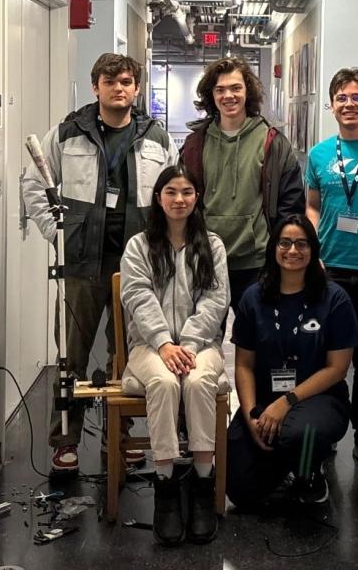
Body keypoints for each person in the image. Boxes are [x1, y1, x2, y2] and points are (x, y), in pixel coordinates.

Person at [22, 52, 177, 473]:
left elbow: (172, 190)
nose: (118, 88)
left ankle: (120, 437)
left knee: (127, 354)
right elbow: (33, 183)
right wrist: (57, 232)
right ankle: (65, 440)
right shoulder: (69, 132)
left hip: (136, 265)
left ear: (136, 88)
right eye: (109, 82)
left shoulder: (157, 137)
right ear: (96, 87)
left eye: (125, 81)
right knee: (72, 353)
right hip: (82, 262)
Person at [120, 164, 229, 545]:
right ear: (158, 198)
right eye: (171, 192)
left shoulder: (212, 245)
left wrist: (190, 343)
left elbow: (216, 300)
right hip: (148, 346)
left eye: (186, 192)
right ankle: (165, 489)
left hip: (202, 346)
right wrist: (164, 343)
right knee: (165, 383)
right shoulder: (138, 246)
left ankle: (202, 486)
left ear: (197, 198)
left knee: (198, 382)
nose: (179, 199)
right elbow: (137, 296)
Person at [227, 215, 358, 507]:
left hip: (319, 399)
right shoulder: (253, 297)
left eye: (302, 244)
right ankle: (285, 463)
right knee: (239, 490)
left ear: (313, 250)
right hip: (266, 400)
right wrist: (251, 416)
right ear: (273, 248)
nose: (292, 251)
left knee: (300, 432)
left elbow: (337, 369)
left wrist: (287, 401)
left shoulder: (334, 299)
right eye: (284, 243)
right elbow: (244, 365)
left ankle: (308, 471)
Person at [304, 68, 358, 470]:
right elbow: (312, 206)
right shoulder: (319, 155)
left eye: (357, 97)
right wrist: (314, 250)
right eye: (341, 97)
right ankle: (324, 433)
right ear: (331, 105)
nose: (349, 104)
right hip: (329, 271)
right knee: (324, 359)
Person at [180, 56, 305, 313]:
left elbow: (290, 204)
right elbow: (182, 202)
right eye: (220, 89)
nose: (228, 96)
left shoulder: (273, 143)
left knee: (258, 334)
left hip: (257, 264)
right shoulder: (195, 145)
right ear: (211, 95)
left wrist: (281, 253)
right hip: (206, 259)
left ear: (248, 92)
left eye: (236, 88)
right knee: (204, 334)